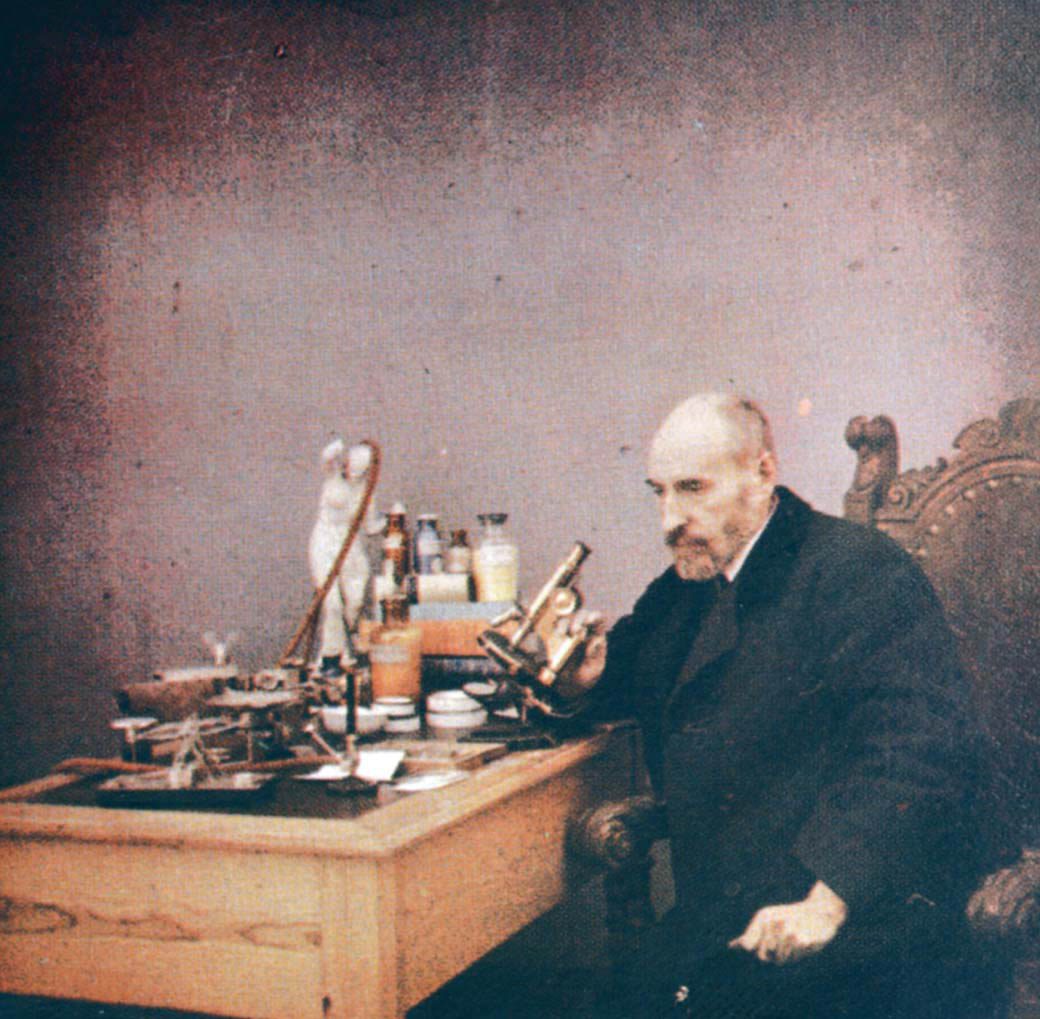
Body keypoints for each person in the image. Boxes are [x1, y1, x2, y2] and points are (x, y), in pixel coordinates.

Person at [574, 392, 1007, 1019]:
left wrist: (828, 901)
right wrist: (581, 681)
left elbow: (917, 749)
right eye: (659, 492)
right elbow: (626, 673)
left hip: (859, 914)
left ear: (763, 472)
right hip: (737, 913)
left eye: (693, 488)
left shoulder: (857, 569)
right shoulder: (692, 581)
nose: (669, 519)